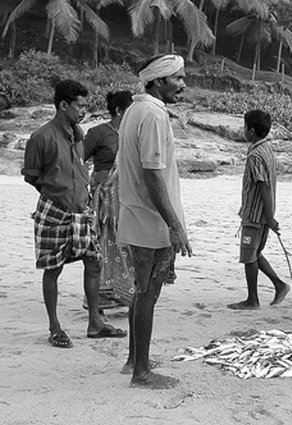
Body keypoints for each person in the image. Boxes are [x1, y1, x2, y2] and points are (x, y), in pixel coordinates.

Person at [22, 79, 126, 349]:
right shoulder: (40, 138)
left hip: (82, 209)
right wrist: (57, 192)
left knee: (93, 262)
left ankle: (95, 322)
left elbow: (80, 164)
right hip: (55, 210)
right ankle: (55, 327)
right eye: (79, 106)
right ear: (63, 105)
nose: (84, 111)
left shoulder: (77, 134)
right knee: (52, 268)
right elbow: (31, 177)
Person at [117, 54, 192, 389]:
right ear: (159, 80)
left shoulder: (135, 109)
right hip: (150, 222)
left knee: (141, 290)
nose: (183, 84)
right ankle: (141, 372)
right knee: (148, 293)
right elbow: (152, 175)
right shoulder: (152, 114)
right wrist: (175, 225)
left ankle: (135, 359)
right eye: (178, 77)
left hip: (138, 216)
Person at [227, 110, 290, 310]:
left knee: (249, 255)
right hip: (262, 214)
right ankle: (279, 285)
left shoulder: (255, 155)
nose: (243, 130)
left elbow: (263, 186)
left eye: (245, 127)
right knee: (255, 252)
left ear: (251, 131)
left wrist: (269, 217)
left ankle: (252, 299)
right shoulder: (266, 148)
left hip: (255, 215)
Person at [84, 91, 135, 309]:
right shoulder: (98, 133)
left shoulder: (133, 134)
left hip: (126, 200)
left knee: (126, 245)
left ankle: (123, 293)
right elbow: (79, 159)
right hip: (104, 201)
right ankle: (102, 295)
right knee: (103, 245)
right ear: (119, 111)